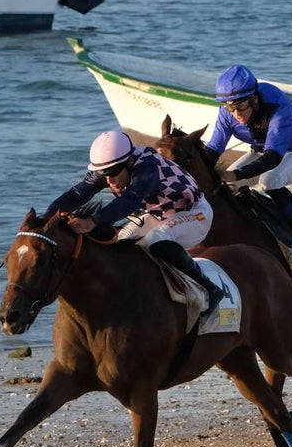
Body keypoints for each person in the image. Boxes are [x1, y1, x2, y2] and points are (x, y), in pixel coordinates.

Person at [43, 130, 224, 317]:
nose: (109, 180)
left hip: (195, 214)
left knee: (155, 241)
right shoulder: (113, 165)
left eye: (113, 173)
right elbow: (76, 194)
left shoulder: (147, 165)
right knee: (120, 242)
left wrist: (92, 221)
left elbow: (130, 200)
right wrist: (44, 219)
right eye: (103, 175)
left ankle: (210, 289)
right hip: (158, 214)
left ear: (129, 162)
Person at [205, 64, 292, 263]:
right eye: (230, 109)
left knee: (270, 180)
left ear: (254, 98)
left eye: (241, 107)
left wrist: (237, 174)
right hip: (260, 152)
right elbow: (213, 150)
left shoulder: (277, 105)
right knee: (227, 186)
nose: (237, 115)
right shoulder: (228, 112)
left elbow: (273, 158)